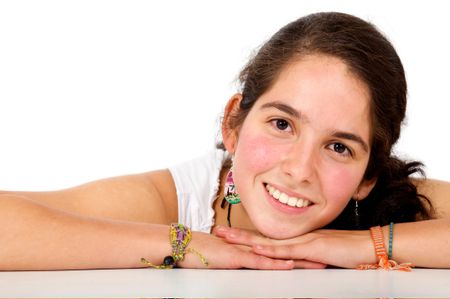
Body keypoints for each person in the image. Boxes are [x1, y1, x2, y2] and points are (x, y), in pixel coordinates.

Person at [1, 12, 449, 271]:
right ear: (234, 123)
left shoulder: (389, 204)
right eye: (282, 125)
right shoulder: (176, 199)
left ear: (367, 177)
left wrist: (354, 245)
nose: (298, 169)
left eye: (338, 147)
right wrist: (184, 245)